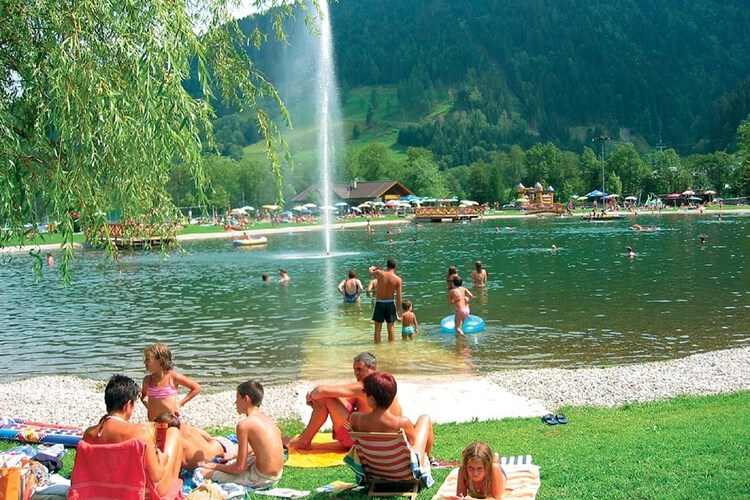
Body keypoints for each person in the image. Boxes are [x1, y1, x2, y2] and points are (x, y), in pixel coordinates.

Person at [79, 375, 183, 498]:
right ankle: (171, 494)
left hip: (106, 490)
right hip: (141, 493)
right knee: (174, 433)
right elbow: (156, 475)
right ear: (127, 405)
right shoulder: (139, 432)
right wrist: (163, 459)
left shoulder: (89, 434)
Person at [288, 352, 402, 450]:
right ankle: (303, 440)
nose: (356, 373)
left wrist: (312, 396)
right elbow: (344, 402)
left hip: (364, 443)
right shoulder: (386, 383)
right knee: (328, 399)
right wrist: (318, 404)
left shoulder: (364, 386)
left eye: (359, 369)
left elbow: (320, 391)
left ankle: (303, 442)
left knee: (325, 398)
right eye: (354, 369)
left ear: (372, 368)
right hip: (388, 441)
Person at [198, 380, 284, 488]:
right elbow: (262, 445)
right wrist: (234, 454)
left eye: (237, 399)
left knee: (202, 472)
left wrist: (214, 466)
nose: (235, 403)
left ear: (246, 399)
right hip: (277, 473)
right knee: (233, 459)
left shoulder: (244, 425)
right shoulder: (268, 420)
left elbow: (239, 469)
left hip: (263, 479)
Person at [349, 371, 435, 471]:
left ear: (372, 399)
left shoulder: (356, 419)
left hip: (374, 471)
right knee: (425, 418)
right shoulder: (402, 423)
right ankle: (427, 461)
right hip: (404, 471)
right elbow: (412, 443)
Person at [153, 413, 237, 471]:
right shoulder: (185, 427)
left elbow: (170, 470)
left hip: (214, 462)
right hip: (220, 443)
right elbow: (207, 436)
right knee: (239, 448)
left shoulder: (176, 445)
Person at [141, 343, 202, 422]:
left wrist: (179, 404)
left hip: (171, 422)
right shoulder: (147, 380)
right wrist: (148, 405)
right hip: (153, 422)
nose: (144, 362)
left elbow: (196, 388)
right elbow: (144, 395)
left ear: (160, 361)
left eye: (148, 359)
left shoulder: (173, 377)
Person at [369, 258, 403, 343]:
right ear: (396, 266)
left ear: (386, 265)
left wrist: (373, 267)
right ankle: (391, 348)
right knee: (391, 327)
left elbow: (370, 271)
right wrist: (398, 310)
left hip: (380, 303)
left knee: (377, 328)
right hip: (390, 303)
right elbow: (399, 297)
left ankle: (377, 347)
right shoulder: (398, 279)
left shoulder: (380, 274)